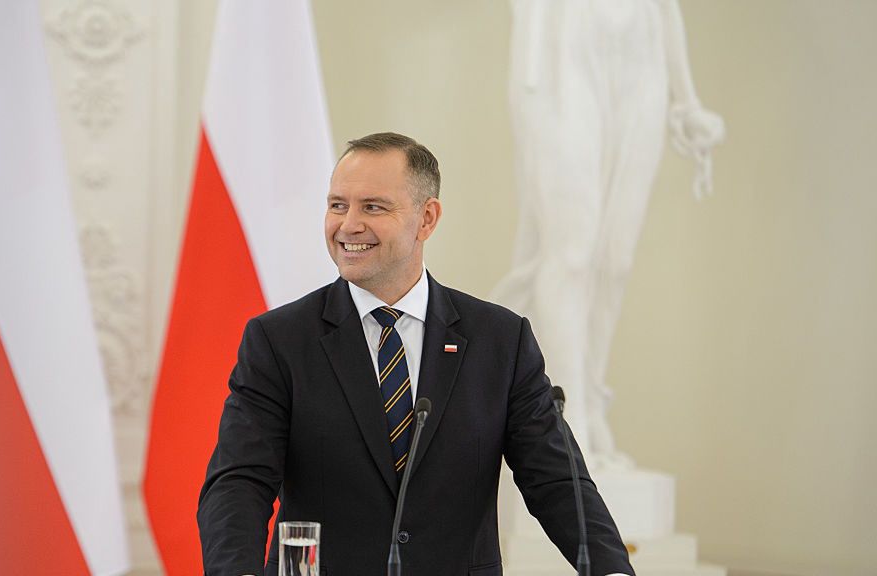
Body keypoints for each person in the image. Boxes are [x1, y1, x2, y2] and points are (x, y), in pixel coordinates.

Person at [197, 132, 633, 576]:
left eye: (373, 207)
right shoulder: (279, 341)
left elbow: (557, 481)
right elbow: (239, 481)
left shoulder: (501, 340)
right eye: (337, 205)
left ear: (427, 218)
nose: (347, 225)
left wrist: (611, 570)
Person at [493, 0, 725, 464]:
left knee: (614, 259)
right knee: (572, 252)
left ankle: (591, 401)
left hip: (641, 52)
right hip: (564, 45)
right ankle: (566, 414)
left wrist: (688, 99)